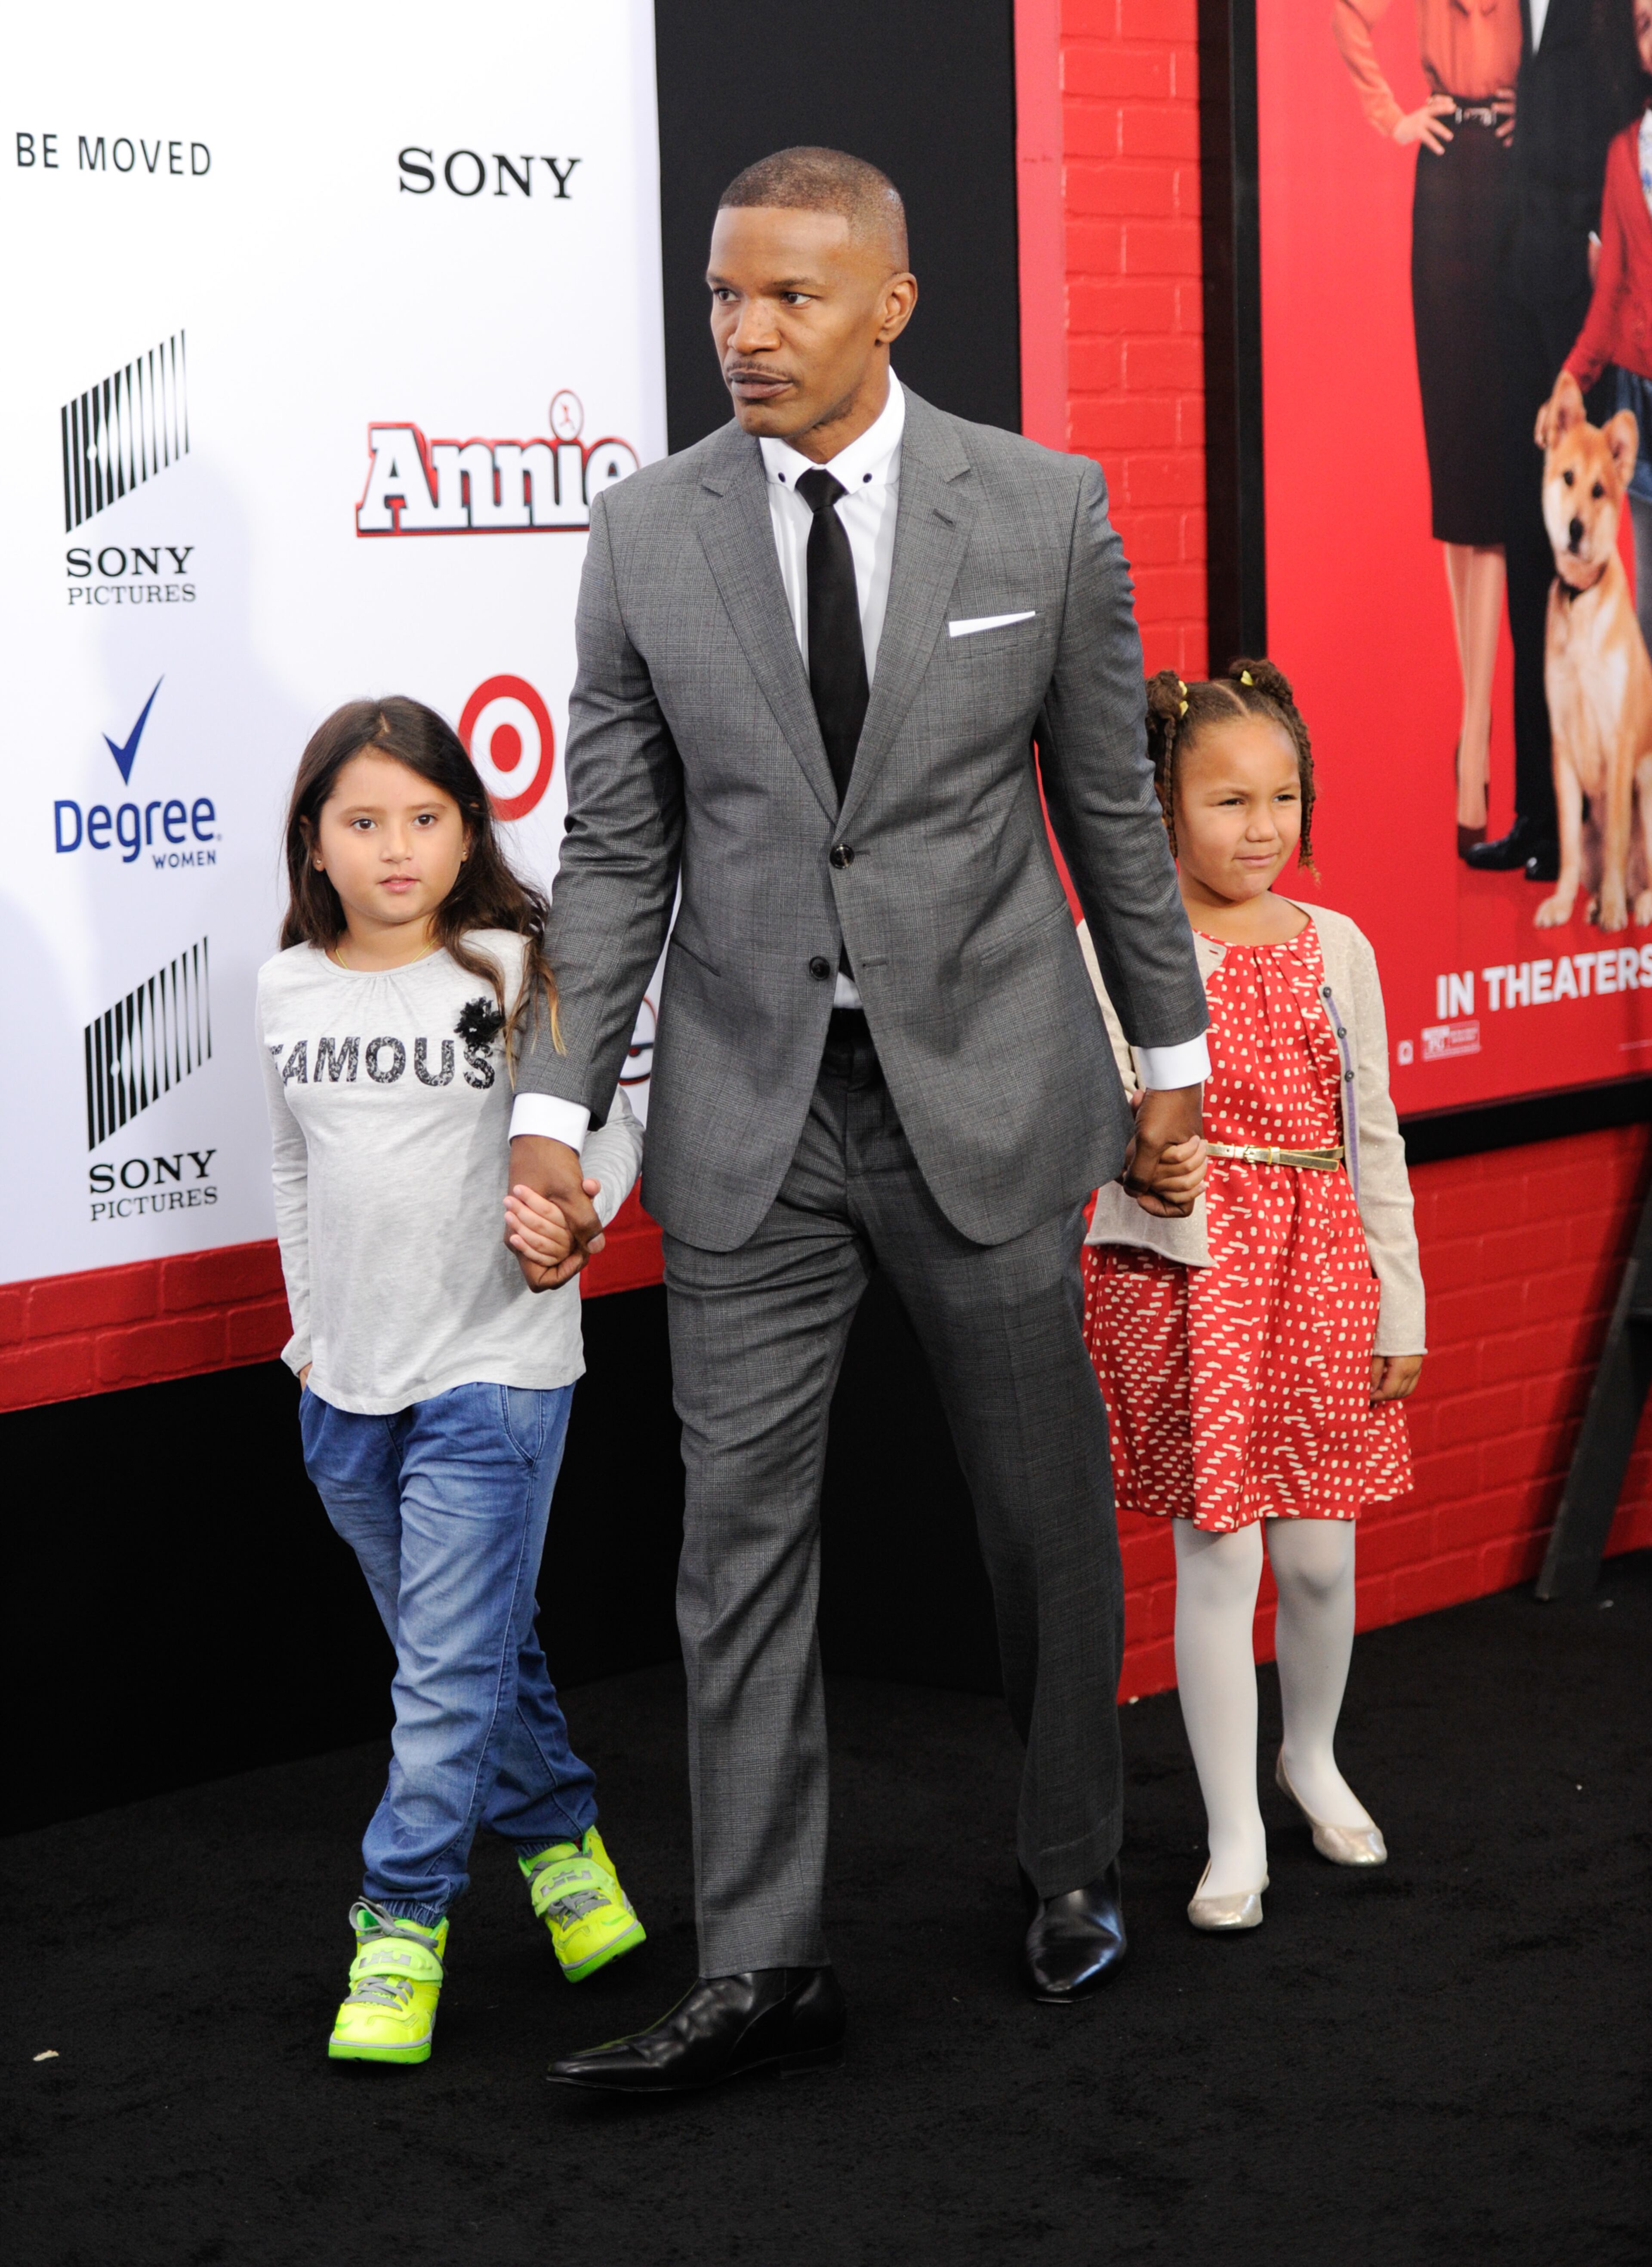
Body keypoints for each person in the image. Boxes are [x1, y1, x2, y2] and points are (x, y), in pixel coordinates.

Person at [503, 146, 1211, 2092]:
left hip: (984, 1093)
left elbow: (1113, 822)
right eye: (725, 295)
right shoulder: (646, 531)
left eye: (792, 296)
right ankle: (762, 1960)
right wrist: (555, 1106)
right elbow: (615, 848)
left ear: (890, 302)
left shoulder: (1044, 511)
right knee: (735, 1545)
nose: (744, 331)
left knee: (1036, 1522)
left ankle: (1070, 1863)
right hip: (751, 1112)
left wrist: (1176, 1073)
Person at [257, 696, 645, 2067]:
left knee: (437, 1675)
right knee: (476, 1654)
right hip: (345, 1389)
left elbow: (610, 1122)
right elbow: (293, 1166)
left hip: (497, 1368)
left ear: (467, 827)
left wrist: (579, 1213)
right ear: (315, 844)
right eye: (363, 821)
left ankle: (401, 1921)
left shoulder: (512, 964)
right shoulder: (286, 984)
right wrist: (309, 1332)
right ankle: (564, 1851)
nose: (397, 847)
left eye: (425, 816)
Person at [1082, 662, 1425, 1930]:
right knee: (1218, 1558)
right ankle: (1234, 1834)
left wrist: (1403, 1299)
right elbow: (1090, 1112)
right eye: (1230, 799)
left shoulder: (1340, 947)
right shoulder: (1121, 944)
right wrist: (1130, 1146)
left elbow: (1372, 1132)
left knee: (1322, 1561)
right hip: (1195, 1277)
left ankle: (1311, 1755)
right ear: (1163, 805)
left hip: (1324, 1265)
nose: (1262, 825)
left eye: (1283, 795)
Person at [1332, 0, 1522, 857]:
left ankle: (1483, 733)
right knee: (1460, 455)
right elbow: (1347, 13)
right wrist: (1394, 115)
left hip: (1526, 188)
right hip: (1447, 188)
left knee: (1508, 466)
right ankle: (1476, 734)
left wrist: (1548, 116)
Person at [1466, 0, 1643, 884]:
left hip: (1588, 316)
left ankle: (1606, 826)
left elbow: (1631, 112)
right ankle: (1542, 815)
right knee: (1532, 565)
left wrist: (1595, 241)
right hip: (1515, 301)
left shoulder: (1611, 10)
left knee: (1598, 582)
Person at [1537, 0, 1652, 654]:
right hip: (1642, 395)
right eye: (1644, 23)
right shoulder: (1622, 152)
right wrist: (1570, 376)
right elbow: (1609, 296)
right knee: (1650, 602)